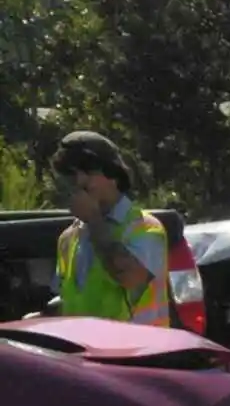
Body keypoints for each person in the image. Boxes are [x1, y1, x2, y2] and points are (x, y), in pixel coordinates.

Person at [48, 131, 170, 326]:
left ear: (114, 175)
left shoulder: (146, 228)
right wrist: (42, 320)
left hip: (138, 351)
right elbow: (69, 300)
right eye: (72, 174)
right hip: (84, 353)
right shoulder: (68, 239)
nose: (79, 182)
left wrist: (94, 220)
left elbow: (130, 278)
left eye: (88, 172)